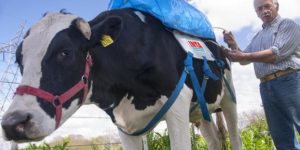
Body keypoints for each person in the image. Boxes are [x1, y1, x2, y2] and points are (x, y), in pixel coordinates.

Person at [223, 0, 300, 149]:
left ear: (276, 6)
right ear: (256, 13)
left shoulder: (287, 24)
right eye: (259, 9)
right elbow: (245, 58)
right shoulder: (258, 36)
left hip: (289, 81)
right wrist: (233, 44)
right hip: (266, 86)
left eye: (267, 6)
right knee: (281, 136)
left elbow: (275, 54)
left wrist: (244, 56)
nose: (264, 11)